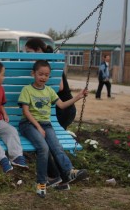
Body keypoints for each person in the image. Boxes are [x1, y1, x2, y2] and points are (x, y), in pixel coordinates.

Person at [18, 59, 89, 198]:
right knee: (43, 148)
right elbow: (26, 111)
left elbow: (62, 105)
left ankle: (69, 171)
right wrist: (38, 127)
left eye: (46, 75)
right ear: (33, 74)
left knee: (57, 147)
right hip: (28, 124)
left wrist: (78, 97)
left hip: (46, 125)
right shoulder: (27, 90)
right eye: (40, 74)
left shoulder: (49, 90)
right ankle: (41, 183)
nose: (43, 77)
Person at [23, 38, 76, 130]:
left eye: (29, 52)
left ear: (38, 49)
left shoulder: (51, 62)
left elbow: (60, 87)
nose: (28, 55)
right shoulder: (45, 63)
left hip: (63, 109)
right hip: (58, 108)